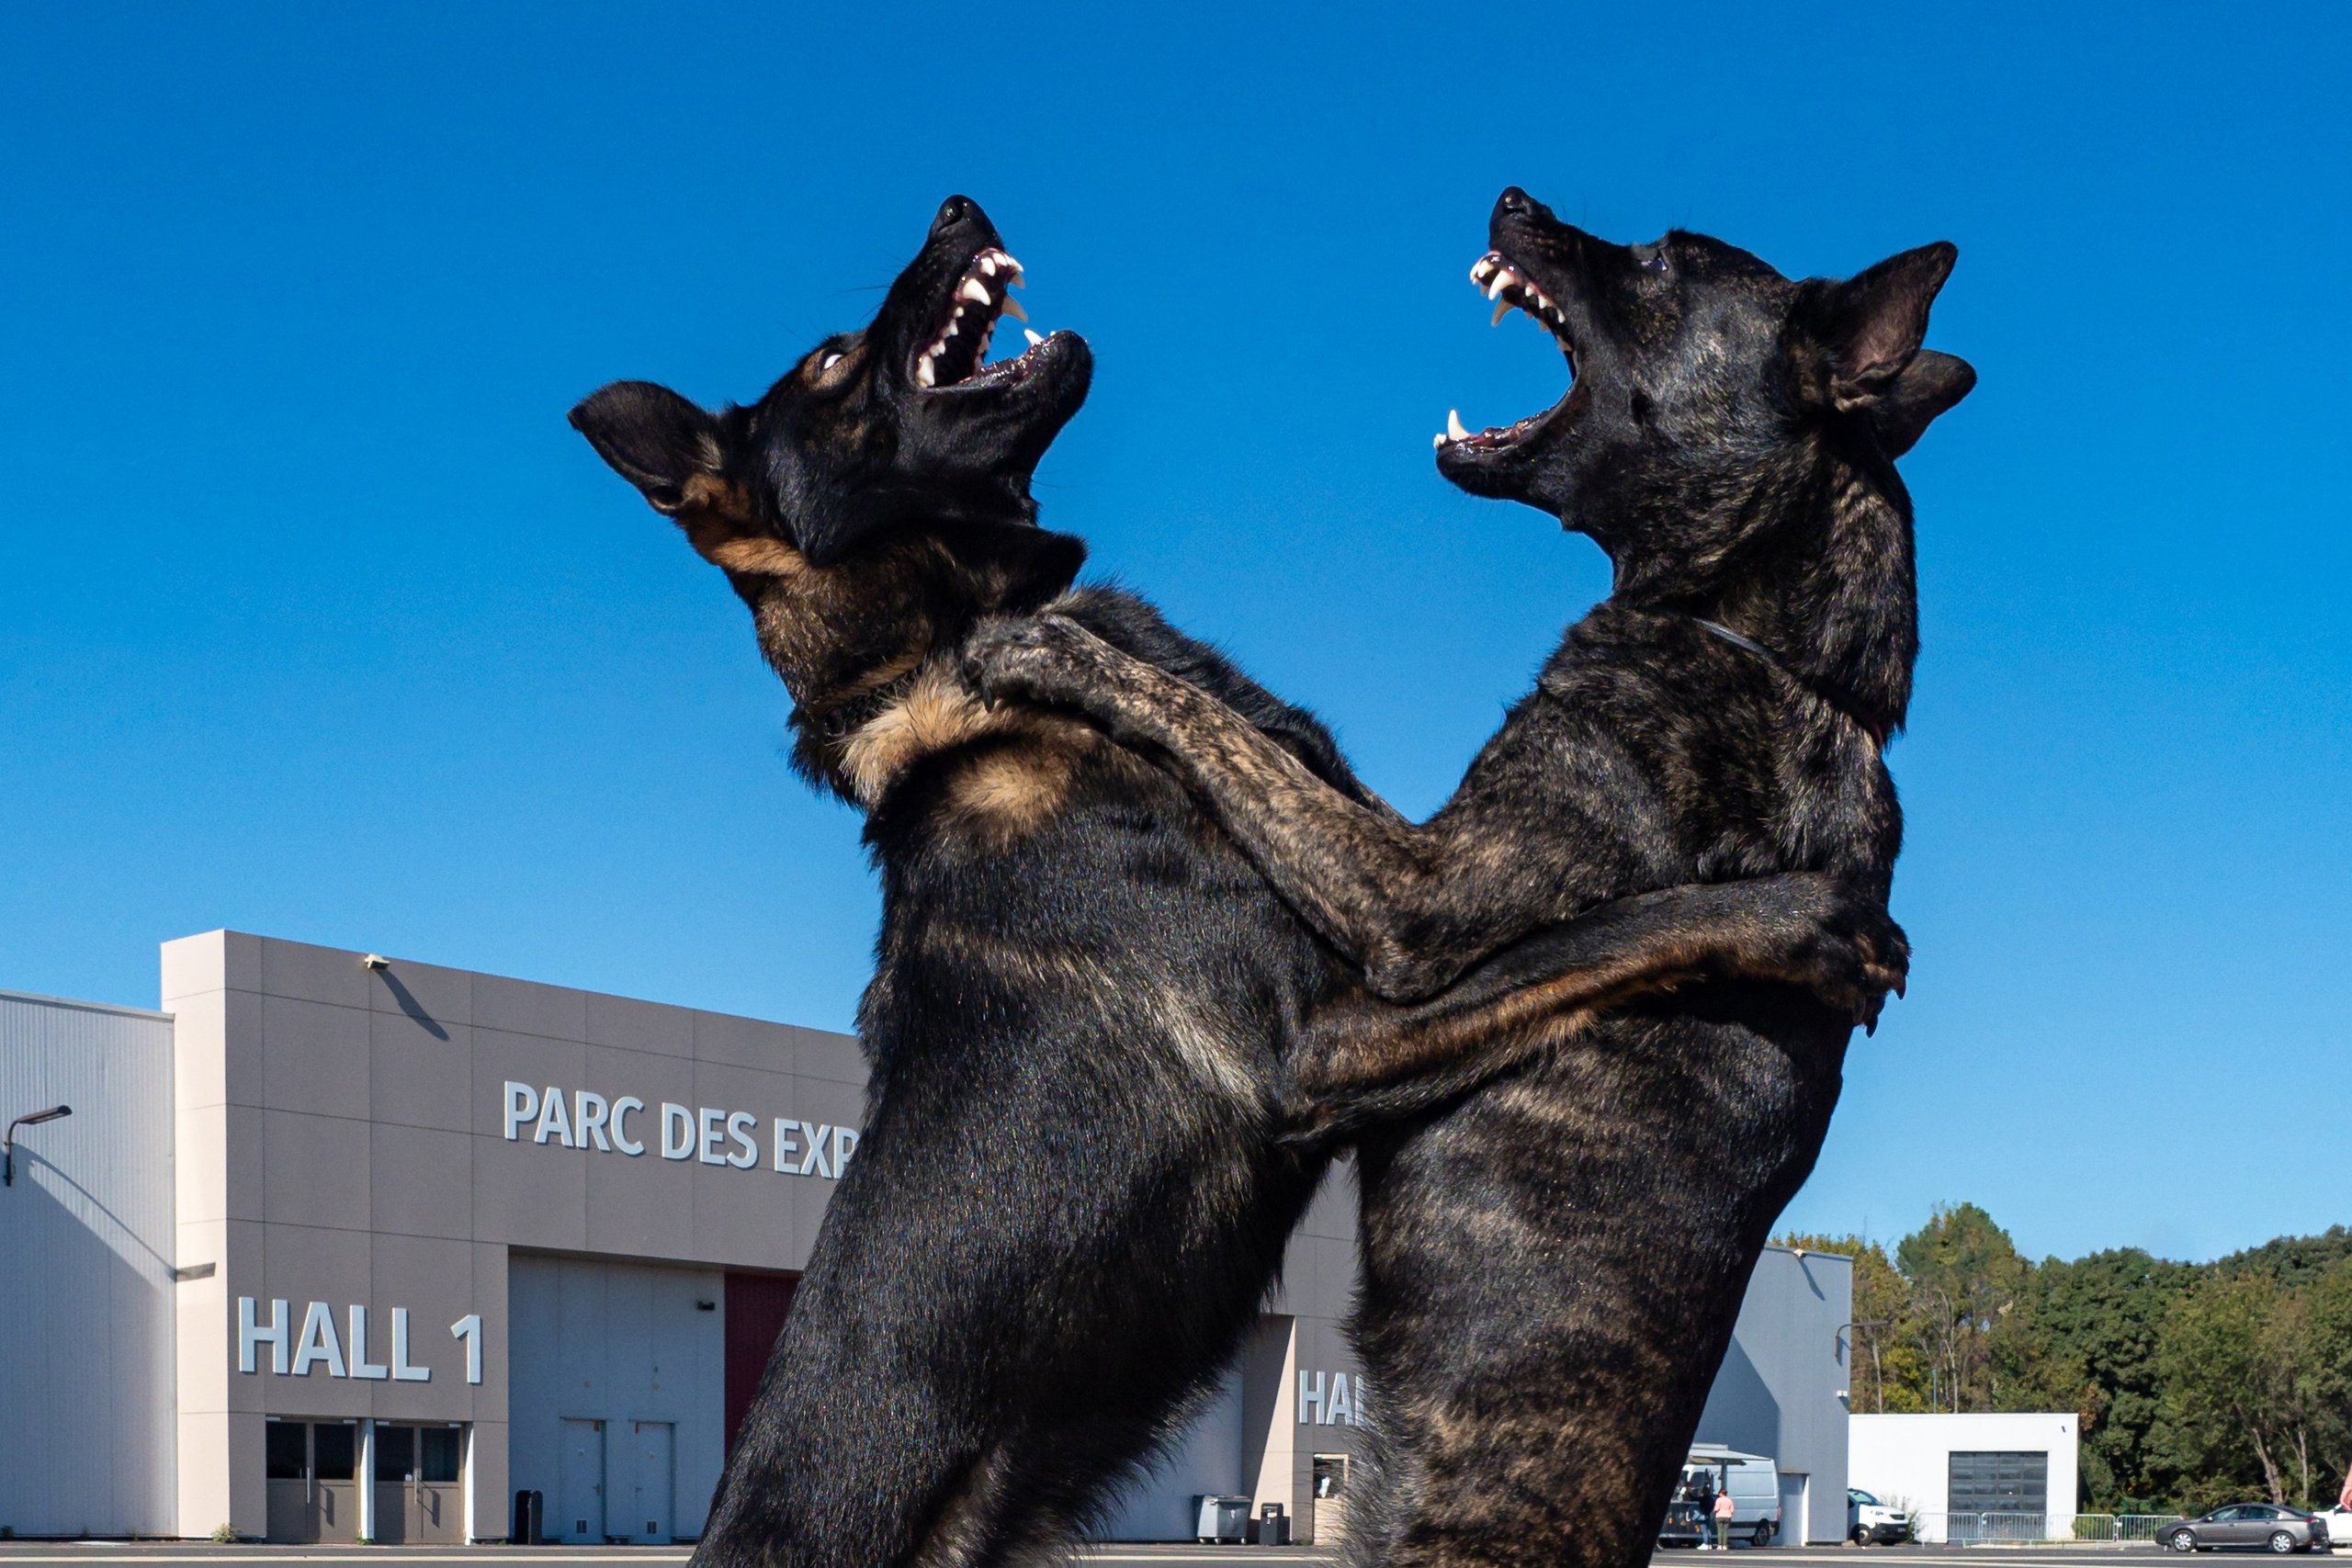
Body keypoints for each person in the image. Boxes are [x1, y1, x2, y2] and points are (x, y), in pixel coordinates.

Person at [1714, 1481, 1736, 1551]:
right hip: (1727, 1516)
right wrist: (1730, 1514)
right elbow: (1732, 1510)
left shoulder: (1719, 1500)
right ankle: (1724, 1545)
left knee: (1720, 1531)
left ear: (1721, 1493)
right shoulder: (1729, 1500)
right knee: (1725, 1531)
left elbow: (1717, 1508)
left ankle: (1719, 1545)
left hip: (1719, 1516)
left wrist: (1714, 1511)